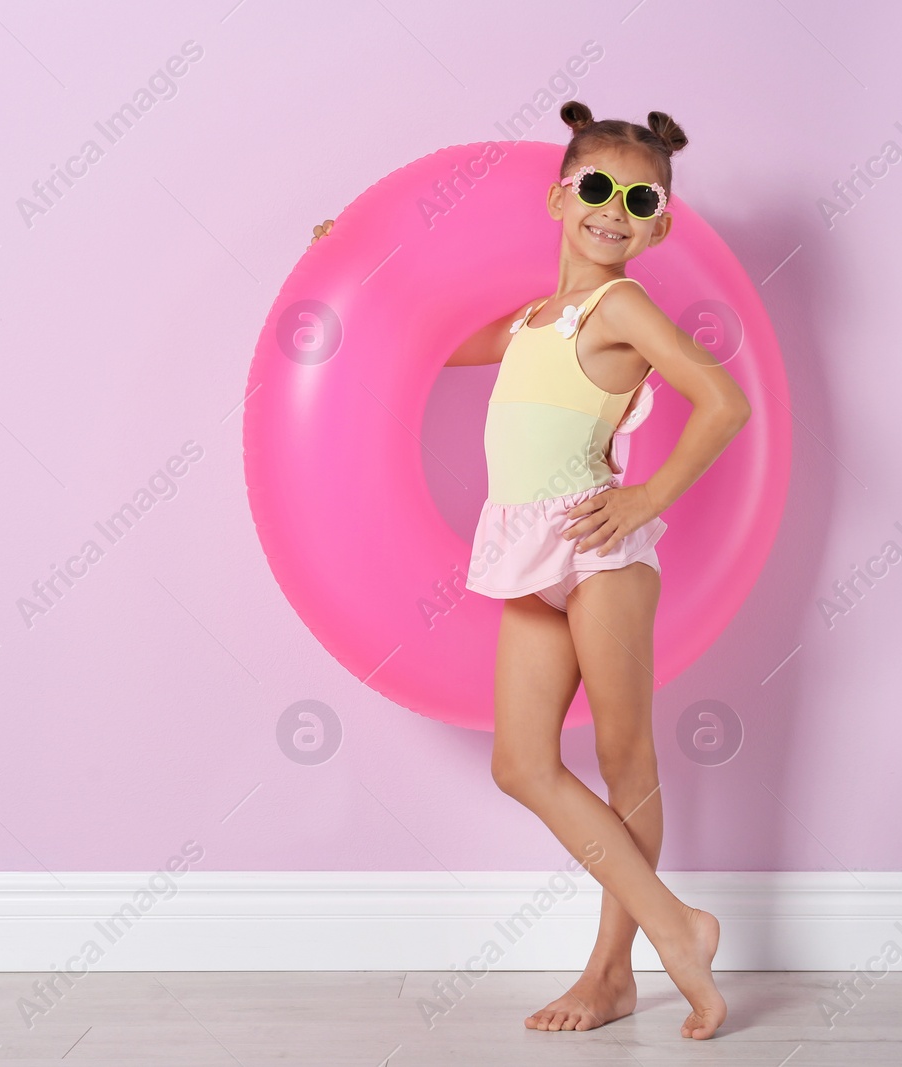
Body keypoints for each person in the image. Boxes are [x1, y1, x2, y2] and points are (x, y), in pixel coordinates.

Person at [312, 102, 749, 1040]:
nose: (614, 210)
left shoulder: (619, 305)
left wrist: (647, 497)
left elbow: (723, 400)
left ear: (659, 224)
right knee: (523, 763)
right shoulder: (532, 318)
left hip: (598, 555)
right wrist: (350, 263)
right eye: (597, 188)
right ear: (559, 198)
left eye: (640, 200)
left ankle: (616, 969)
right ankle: (681, 923)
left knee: (626, 758)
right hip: (527, 553)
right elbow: (421, 343)